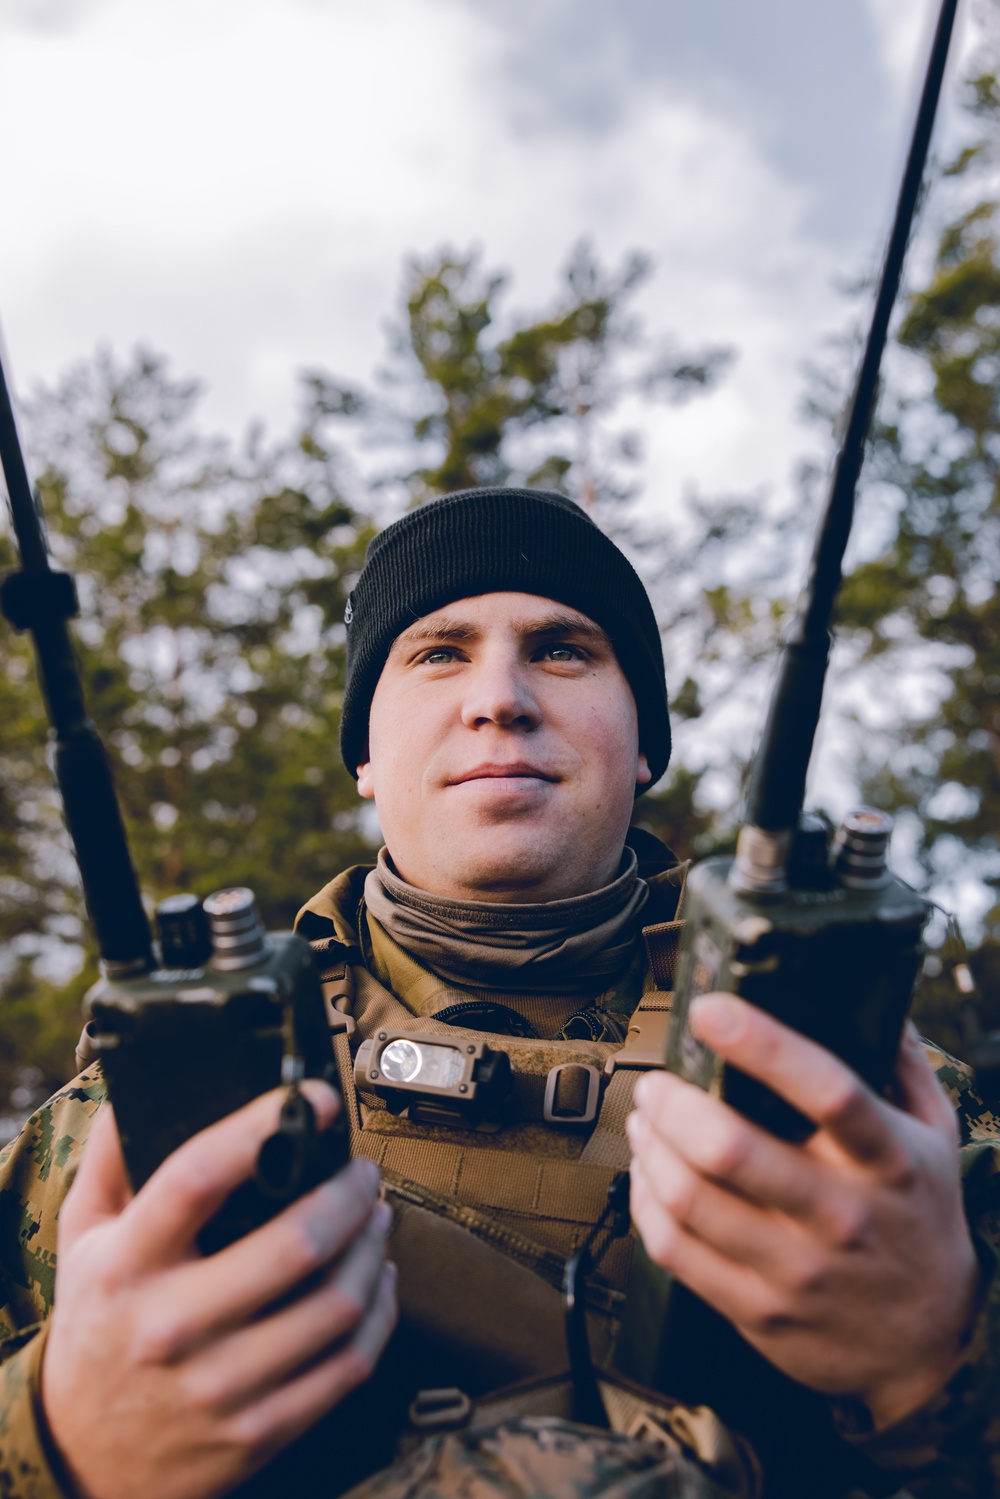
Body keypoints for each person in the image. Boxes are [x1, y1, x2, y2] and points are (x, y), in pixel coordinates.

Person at [0, 486, 997, 1499]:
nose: (500, 697)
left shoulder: (884, 1121)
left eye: (562, 648)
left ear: (645, 743)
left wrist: (941, 1350)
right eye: (437, 651)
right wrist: (63, 1436)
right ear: (363, 756)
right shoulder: (127, 1129)